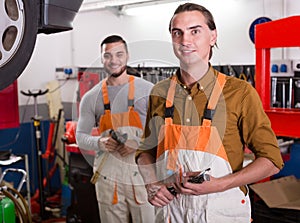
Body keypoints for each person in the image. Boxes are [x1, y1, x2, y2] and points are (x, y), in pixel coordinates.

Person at [136, 3, 284, 223]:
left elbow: (272, 160)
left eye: (195, 31)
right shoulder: (160, 92)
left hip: (221, 213)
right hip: (171, 214)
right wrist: (151, 184)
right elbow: (145, 152)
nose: (185, 41)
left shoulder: (240, 93)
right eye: (178, 33)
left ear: (213, 36)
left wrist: (220, 184)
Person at [76, 35, 155, 222]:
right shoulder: (91, 97)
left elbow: (165, 132)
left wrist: (138, 145)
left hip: (142, 175)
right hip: (108, 179)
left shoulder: (149, 90)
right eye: (107, 55)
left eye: (119, 54)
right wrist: (99, 142)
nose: (114, 61)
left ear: (127, 56)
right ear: (102, 58)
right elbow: (80, 136)